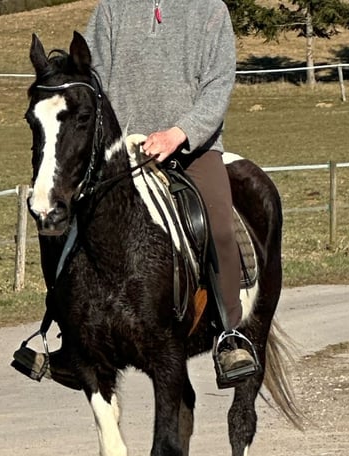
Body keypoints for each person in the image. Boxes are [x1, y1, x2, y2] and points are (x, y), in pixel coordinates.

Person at [84, 0, 258, 385]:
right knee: (71, 215)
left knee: (220, 227)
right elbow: (92, 76)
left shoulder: (211, 10)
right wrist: (111, 140)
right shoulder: (111, 9)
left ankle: (230, 335)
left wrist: (179, 133)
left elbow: (218, 85)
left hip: (191, 148)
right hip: (121, 149)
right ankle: (63, 328)